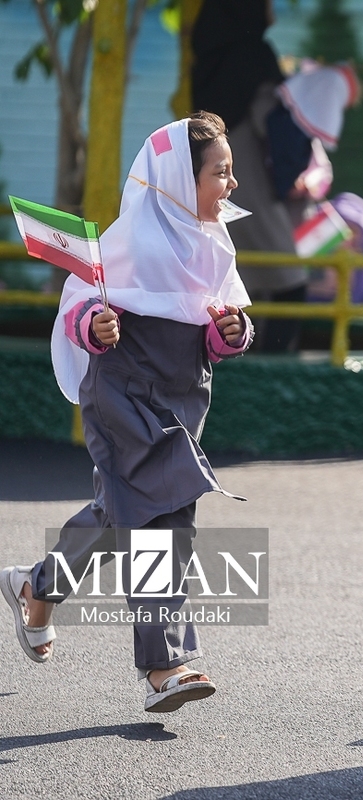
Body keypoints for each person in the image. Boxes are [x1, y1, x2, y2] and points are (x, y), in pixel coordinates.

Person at [0, 112, 253, 713]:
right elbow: (79, 310)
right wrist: (95, 325)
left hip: (182, 402)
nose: (232, 184)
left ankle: (35, 585)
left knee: (120, 516)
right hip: (122, 400)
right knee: (165, 523)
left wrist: (230, 331)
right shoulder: (126, 243)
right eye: (221, 173)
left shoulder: (214, 244)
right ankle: (166, 665)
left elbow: (225, 331)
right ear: (174, 179)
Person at [191, 0, 304, 352]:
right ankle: (271, 372)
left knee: (240, 285)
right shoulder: (255, 56)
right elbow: (268, 122)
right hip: (251, 182)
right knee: (290, 282)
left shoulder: (207, 60)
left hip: (213, 185)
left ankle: (243, 365)